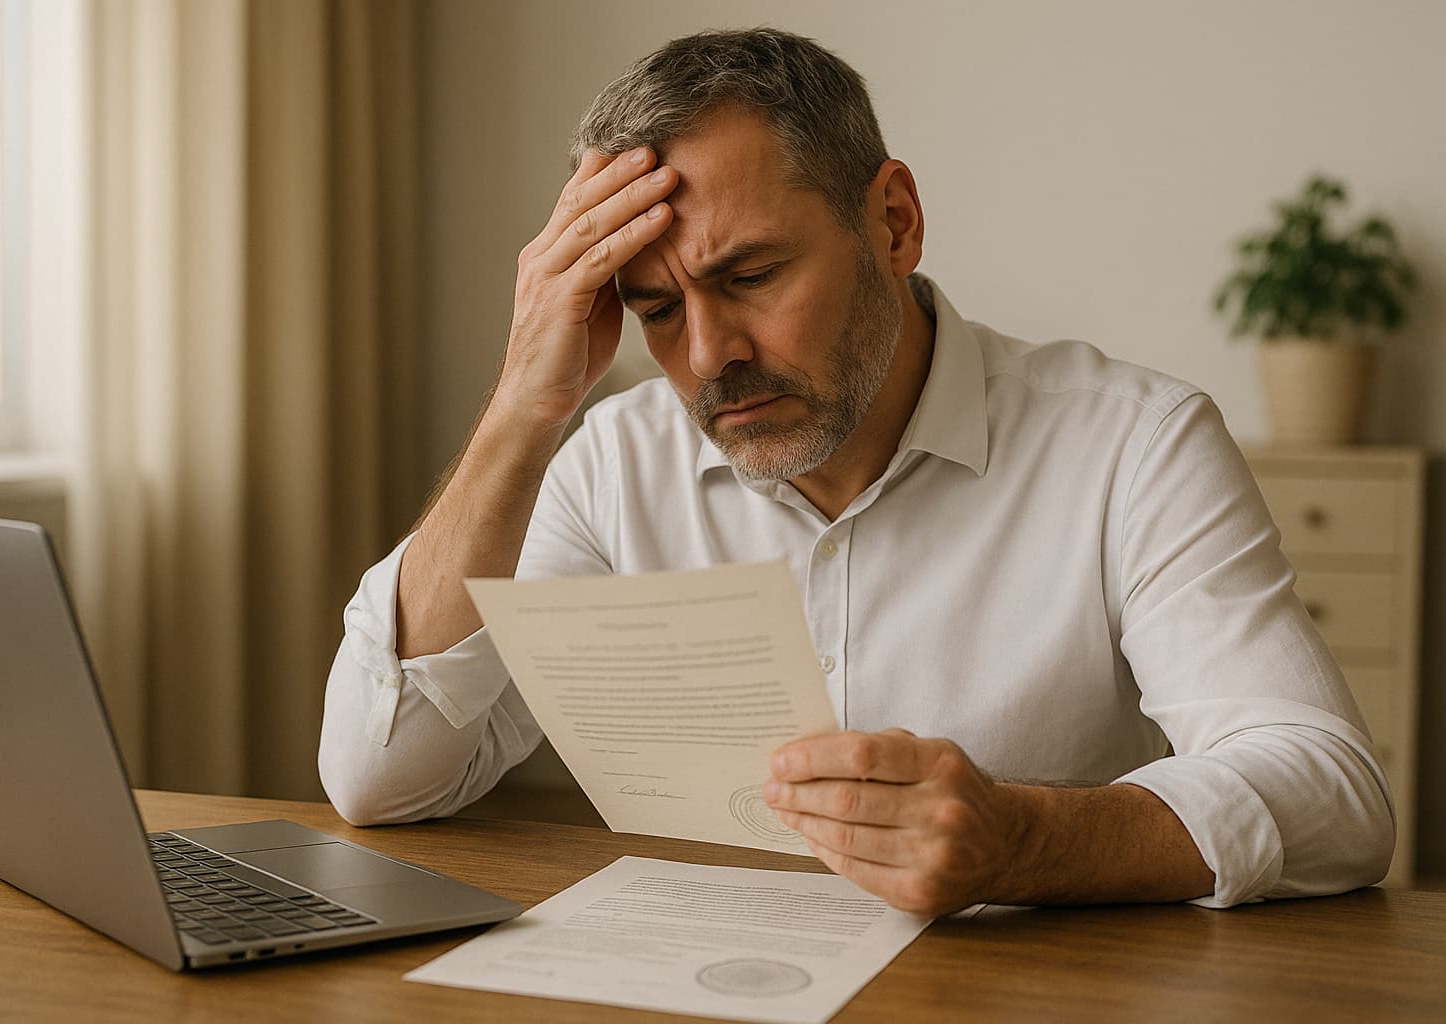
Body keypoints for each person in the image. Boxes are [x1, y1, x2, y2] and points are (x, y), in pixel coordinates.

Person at [318, 28, 1393, 917]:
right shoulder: (607, 467)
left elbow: (1332, 791)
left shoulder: (1133, 444)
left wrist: (1029, 839)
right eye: (653, 308)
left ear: (893, 221)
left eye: (751, 274)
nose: (708, 356)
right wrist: (521, 405)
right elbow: (383, 773)